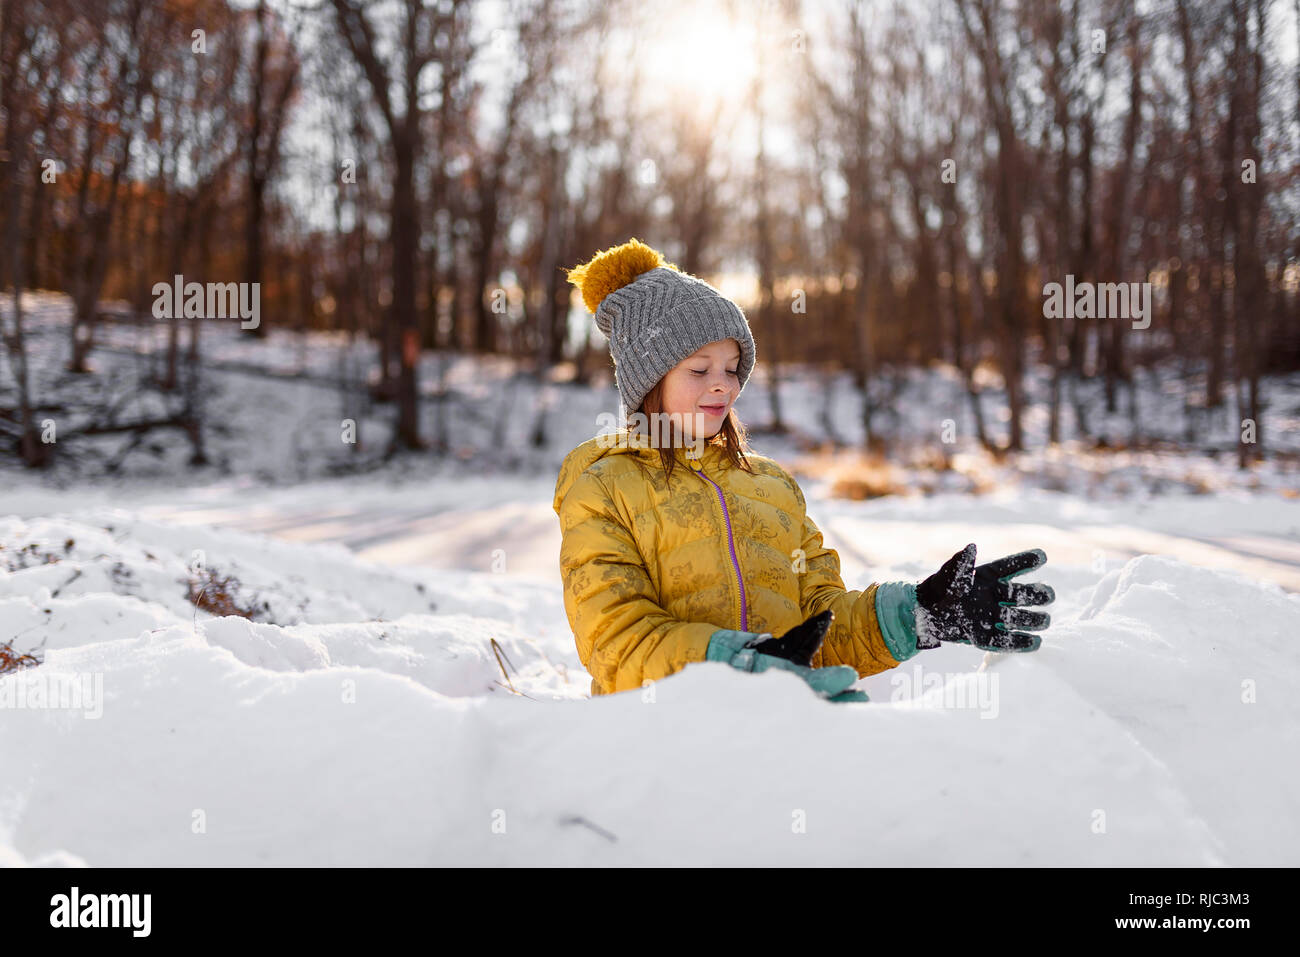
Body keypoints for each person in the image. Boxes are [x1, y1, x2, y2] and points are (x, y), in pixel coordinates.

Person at [552, 238, 1055, 701]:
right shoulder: (603, 487)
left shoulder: (771, 487)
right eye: (699, 370)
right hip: (666, 748)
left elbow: (823, 626)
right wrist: (742, 664)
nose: (722, 386)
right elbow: (615, 641)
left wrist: (920, 613)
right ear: (648, 381)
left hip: (793, 737)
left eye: (732, 368)